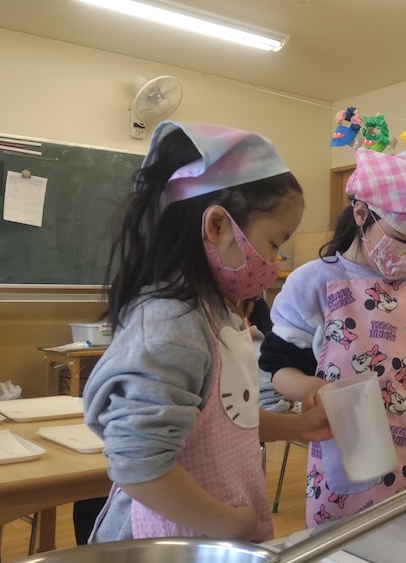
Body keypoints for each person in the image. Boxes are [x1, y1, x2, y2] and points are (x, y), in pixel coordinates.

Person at [82, 121, 331, 543]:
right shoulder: (172, 324)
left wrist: (295, 429)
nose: (275, 261)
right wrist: (227, 523)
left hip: (207, 537)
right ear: (217, 226)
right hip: (162, 541)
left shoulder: (217, 312)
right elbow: (139, 467)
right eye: (274, 244)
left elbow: (220, 421)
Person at [259, 147, 406, 529]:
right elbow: (278, 368)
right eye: (404, 240)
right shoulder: (314, 283)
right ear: (361, 214)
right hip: (349, 455)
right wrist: (312, 388)